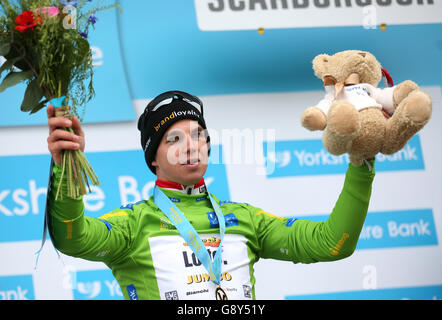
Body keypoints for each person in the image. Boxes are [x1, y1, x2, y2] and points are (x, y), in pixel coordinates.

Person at [46, 90, 375, 300]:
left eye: (198, 135)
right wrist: (67, 168)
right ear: (153, 158)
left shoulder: (244, 218)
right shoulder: (134, 224)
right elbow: (72, 239)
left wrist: (360, 163)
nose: (190, 145)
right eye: (174, 139)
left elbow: (333, 243)